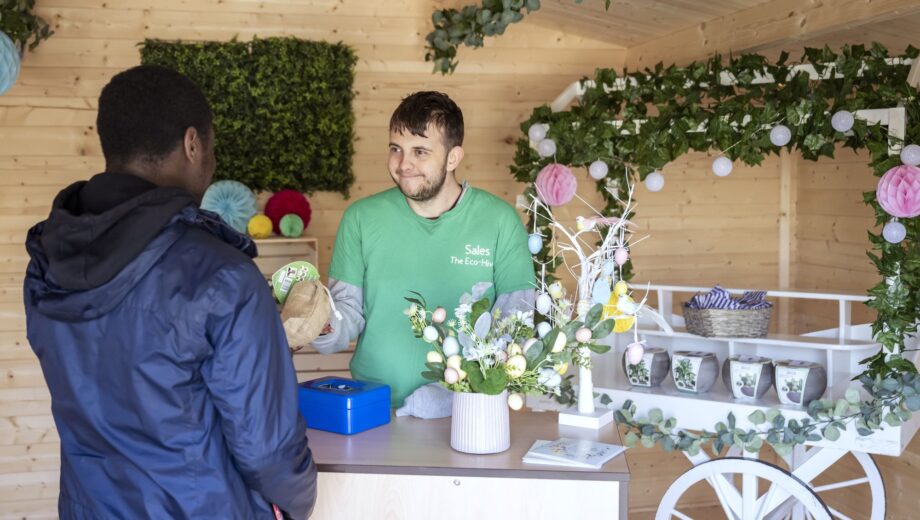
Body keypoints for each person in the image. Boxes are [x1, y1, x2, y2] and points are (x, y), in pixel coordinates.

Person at [23, 65, 316, 519]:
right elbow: (269, 452)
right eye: (212, 147)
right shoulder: (224, 275)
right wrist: (301, 504)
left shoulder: (47, 262)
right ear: (192, 143)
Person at [309, 91, 535, 408]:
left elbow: (516, 325)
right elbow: (346, 311)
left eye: (420, 151)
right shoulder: (360, 218)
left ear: (453, 158)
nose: (404, 164)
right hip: (374, 408)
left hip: (468, 411)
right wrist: (318, 322)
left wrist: (460, 397)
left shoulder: (500, 221)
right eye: (396, 149)